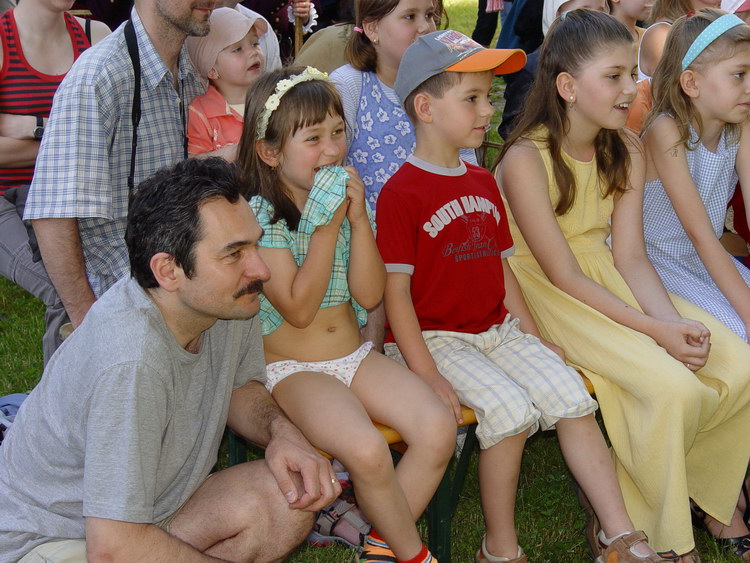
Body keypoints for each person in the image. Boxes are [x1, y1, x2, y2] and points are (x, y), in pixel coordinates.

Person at [378, 29, 661, 563]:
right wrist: (427, 373)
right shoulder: (401, 193)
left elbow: (502, 270)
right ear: (425, 108)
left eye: (489, 97)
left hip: (498, 331)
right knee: (509, 413)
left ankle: (619, 535)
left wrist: (534, 338)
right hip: (436, 339)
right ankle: (500, 549)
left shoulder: (483, 180)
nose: (489, 110)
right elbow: (396, 297)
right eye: (472, 98)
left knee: (572, 399)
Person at [495, 9, 750, 561]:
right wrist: (655, 331)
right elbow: (562, 273)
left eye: (633, 73)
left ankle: (703, 492)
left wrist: (673, 323)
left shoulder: (627, 149)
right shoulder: (524, 159)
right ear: (567, 87)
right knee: (673, 389)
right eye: (613, 76)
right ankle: (653, 530)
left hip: (611, 275)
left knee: (736, 364)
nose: (632, 88)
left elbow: (631, 258)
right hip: (551, 294)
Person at [0, 157, 340, 563]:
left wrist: (282, 433)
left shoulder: (227, 301)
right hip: (57, 539)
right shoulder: (131, 362)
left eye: (255, 244)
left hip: (150, 512)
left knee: (287, 497)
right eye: (234, 254)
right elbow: (112, 548)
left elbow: (239, 387)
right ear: (168, 270)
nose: (260, 269)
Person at [235, 66, 455, 563]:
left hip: (353, 357)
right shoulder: (261, 218)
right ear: (270, 153)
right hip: (293, 371)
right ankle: (413, 554)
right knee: (368, 451)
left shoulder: (347, 207)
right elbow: (297, 308)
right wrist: (326, 227)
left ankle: (380, 547)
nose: (332, 150)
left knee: (438, 427)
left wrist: (357, 221)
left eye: (338, 133)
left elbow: (370, 293)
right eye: (313, 139)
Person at [23, 0, 213, 333]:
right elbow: (51, 216)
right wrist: (90, 326)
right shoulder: (99, 77)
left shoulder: (190, 71)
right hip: (118, 306)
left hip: (178, 295)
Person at [0, 0, 109, 364]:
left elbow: (109, 135)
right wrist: (64, 136)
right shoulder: (3, 40)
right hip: (5, 197)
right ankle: (59, 397)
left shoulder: (95, 36)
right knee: (67, 289)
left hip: (70, 197)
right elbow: (89, 139)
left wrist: (30, 126)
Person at [642, 9, 750, 344]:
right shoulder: (666, 130)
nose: (749, 86)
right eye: (739, 75)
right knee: (735, 336)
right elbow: (699, 233)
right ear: (691, 83)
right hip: (658, 263)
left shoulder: (740, 127)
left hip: (707, 260)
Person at [186, 7, 267, 161]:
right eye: (238, 49)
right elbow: (194, 163)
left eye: (255, 43)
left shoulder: (274, 99)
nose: (253, 52)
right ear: (212, 70)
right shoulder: (201, 112)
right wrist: (238, 150)